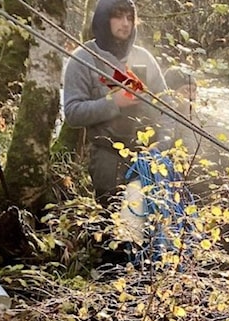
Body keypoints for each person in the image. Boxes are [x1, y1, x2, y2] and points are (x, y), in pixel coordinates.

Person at [62, 0, 169, 207]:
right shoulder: (84, 58)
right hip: (108, 157)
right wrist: (114, 102)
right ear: (104, 19)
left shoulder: (144, 57)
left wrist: (164, 143)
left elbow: (167, 104)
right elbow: (72, 113)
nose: (125, 23)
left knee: (154, 221)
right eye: (118, 16)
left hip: (149, 156)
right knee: (112, 224)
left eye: (130, 17)